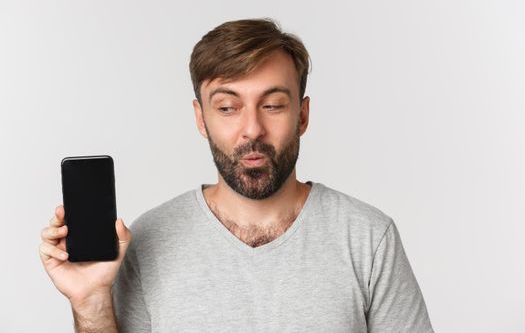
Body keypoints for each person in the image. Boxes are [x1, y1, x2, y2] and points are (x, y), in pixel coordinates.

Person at [39, 18, 434, 332]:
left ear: (303, 115)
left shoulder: (368, 237)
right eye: (228, 107)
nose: (252, 129)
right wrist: (90, 302)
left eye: (274, 105)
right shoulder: (150, 240)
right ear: (201, 119)